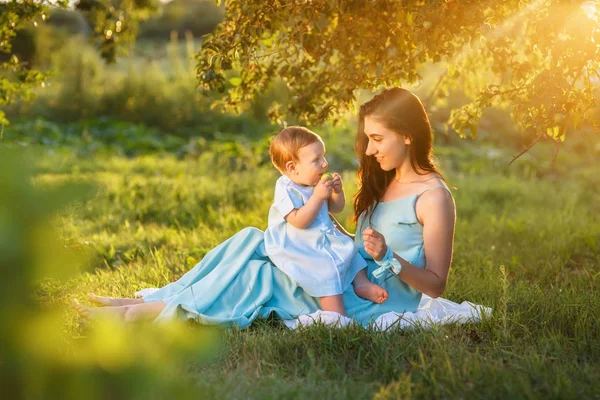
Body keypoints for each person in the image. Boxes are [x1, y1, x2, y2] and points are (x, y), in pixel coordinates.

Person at [72, 87, 456, 327]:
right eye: (368, 139)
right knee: (252, 241)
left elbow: (435, 286)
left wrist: (388, 257)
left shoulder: (434, 197)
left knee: (259, 277)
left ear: (407, 135)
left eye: (377, 139)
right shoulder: (384, 178)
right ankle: (160, 298)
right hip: (342, 273)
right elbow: (353, 240)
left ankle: (134, 316)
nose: (369, 150)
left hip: (370, 298)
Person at [265, 126, 387, 316]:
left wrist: (336, 192)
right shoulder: (285, 189)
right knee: (325, 269)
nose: (325, 164)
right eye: (316, 160)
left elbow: (335, 208)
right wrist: (317, 197)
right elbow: (298, 221)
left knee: (349, 250)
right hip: (299, 242)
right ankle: (336, 315)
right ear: (292, 168)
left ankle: (362, 284)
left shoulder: (315, 183)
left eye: (323, 157)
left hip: (321, 236)